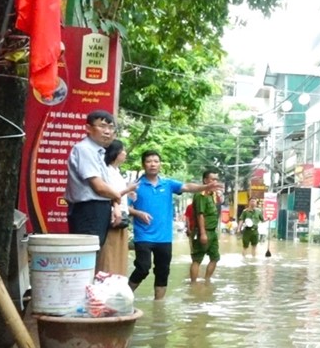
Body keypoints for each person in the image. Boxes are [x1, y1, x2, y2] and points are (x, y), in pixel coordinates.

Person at [127, 151, 223, 299]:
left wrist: (205, 187)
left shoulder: (168, 184)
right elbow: (124, 207)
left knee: (163, 271)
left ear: (160, 164)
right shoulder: (135, 186)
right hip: (143, 235)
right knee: (143, 267)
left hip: (164, 237)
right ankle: (125, 296)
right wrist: (138, 213)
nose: (153, 164)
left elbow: (187, 187)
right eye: (149, 161)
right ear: (143, 164)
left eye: (156, 161)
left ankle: (158, 305)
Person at [65, 110, 132, 248]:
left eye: (110, 127)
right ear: (88, 128)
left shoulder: (98, 152)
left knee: (92, 252)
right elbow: (99, 186)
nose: (107, 131)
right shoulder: (86, 149)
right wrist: (117, 196)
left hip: (97, 209)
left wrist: (115, 202)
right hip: (88, 210)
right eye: (102, 126)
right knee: (85, 253)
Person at [99, 139, 132, 274]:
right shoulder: (107, 171)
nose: (125, 153)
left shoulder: (116, 171)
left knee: (119, 253)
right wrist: (128, 189)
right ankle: (106, 281)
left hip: (121, 217)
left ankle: (116, 281)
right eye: (123, 150)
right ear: (116, 153)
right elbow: (112, 194)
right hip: (114, 217)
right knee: (110, 254)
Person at [190, 170, 223, 283]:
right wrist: (203, 233)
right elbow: (200, 215)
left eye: (216, 180)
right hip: (203, 231)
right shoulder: (200, 195)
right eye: (212, 179)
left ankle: (207, 281)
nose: (215, 182)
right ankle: (193, 284)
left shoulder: (212, 195)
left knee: (215, 258)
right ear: (205, 180)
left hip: (213, 232)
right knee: (197, 259)